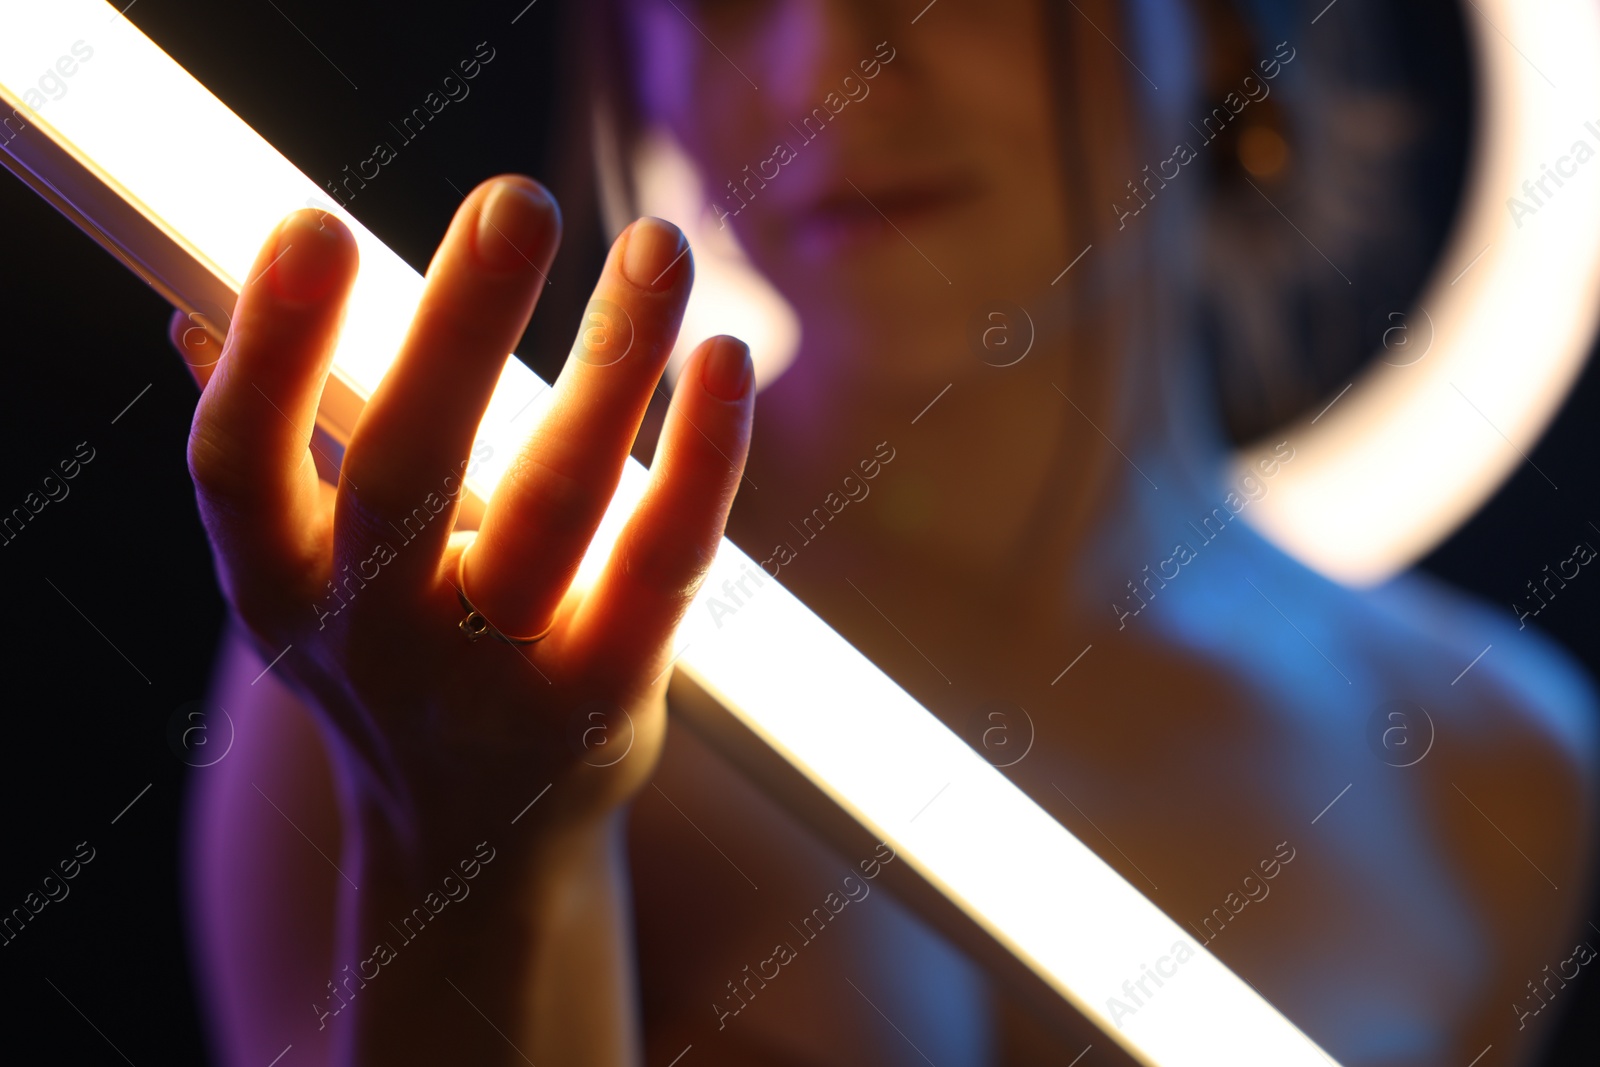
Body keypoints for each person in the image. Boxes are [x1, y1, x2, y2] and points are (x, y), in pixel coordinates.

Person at [173, 1, 1597, 1064]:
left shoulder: (1488, 777)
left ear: (1218, 29)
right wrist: (470, 847)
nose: (829, 77)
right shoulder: (432, 645)